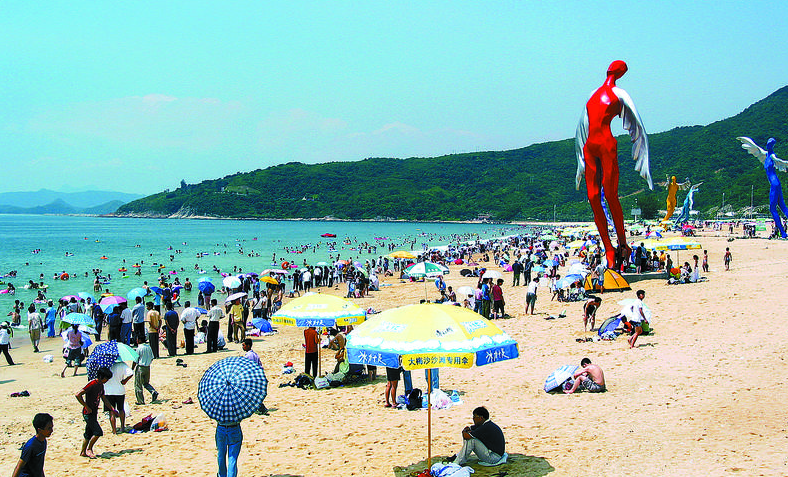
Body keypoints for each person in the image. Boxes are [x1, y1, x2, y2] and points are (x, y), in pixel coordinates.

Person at [575, 60, 653, 268]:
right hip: (590, 147)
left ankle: (623, 244)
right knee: (593, 197)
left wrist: (643, 156)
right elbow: (582, 127)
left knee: (610, 195)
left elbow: (639, 125)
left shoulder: (620, 94)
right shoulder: (593, 94)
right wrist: (580, 160)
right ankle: (608, 247)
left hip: (606, 145)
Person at [75, 366, 117, 459]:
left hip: (94, 412)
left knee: (88, 433)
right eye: (106, 378)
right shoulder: (92, 384)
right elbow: (78, 395)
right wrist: (86, 406)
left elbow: (104, 398)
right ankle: (89, 449)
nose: (107, 381)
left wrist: (112, 409)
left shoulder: (101, 385)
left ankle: (83, 452)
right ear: (102, 377)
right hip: (88, 413)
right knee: (98, 432)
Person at [11, 413, 53, 477]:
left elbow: (38, 464)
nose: (52, 430)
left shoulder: (43, 441)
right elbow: (19, 466)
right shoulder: (30, 446)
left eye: (52, 427)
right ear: (40, 430)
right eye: (49, 428)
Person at [104, 360, 133, 434]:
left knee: (111, 411)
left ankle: (114, 430)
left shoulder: (105, 364)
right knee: (121, 409)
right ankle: (122, 427)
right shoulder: (122, 364)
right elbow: (131, 373)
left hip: (108, 391)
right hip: (119, 391)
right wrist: (125, 380)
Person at [241, 338, 268, 415]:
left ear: (248, 346)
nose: (242, 347)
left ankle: (261, 409)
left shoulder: (249, 355)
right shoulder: (253, 354)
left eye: (243, 345)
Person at [132, 336, 158, 405]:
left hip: (141, 367)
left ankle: (140, 401)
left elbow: (135, 360)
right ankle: (153, 391)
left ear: (139, 340)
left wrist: (132, 369)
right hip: (147, 367)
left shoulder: (139, 348)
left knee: (138, 385)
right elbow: (152, 357)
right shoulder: (148, 347)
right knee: (146, 383)